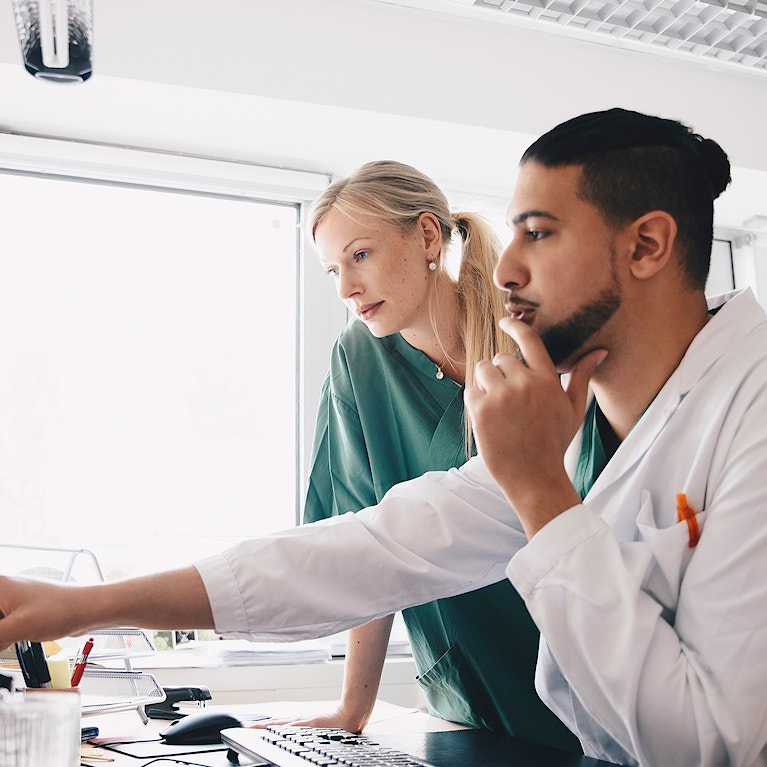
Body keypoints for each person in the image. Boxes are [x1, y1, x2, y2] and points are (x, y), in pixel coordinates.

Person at [2, 107, 766, 767]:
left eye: (537, 233)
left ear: (645, 246)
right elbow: (369, 549)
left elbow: (709, 745)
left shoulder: (749, 412)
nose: (502, 267)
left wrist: (537, 487)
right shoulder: (575, 423)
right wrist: (77, 605)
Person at [286, 161, 577, 749]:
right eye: (332, 270)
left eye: (360, 256)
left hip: (566, 650)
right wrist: (353, 707)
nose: (346, 288)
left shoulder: (529, 337)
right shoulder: (358, 359)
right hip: (462, 679)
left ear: (425, 236)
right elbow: (366, 540)